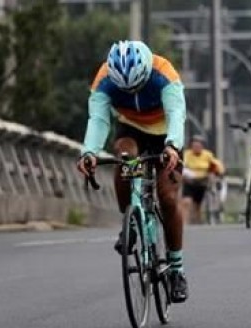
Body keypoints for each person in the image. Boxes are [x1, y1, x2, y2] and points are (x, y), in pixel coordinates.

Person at [76, 40, 189, 303]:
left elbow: (176, 113)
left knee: (168, 197)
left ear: (146, 72)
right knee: (125, 158)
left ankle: (176, 269)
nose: (133, 91)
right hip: (132, 130)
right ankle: (131, 222)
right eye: (126, 89)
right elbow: (99, 119)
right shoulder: (105, 78)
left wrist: (172, 146)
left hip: (165, 135)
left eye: (137, 86)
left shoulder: (164, 73)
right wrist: (89, 151)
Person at [180, 134, 225, 225]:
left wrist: (216, 172)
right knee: (186, 202)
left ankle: (198, 222)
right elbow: (181, 166)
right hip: (189, 181)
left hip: (203, 182)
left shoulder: (207, 155)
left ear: (202, 146)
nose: (196, 147)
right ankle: (184, 223)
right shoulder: (187, 154)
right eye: (194, 145)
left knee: (197, 205)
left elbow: (218, 166)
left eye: (198, 145)